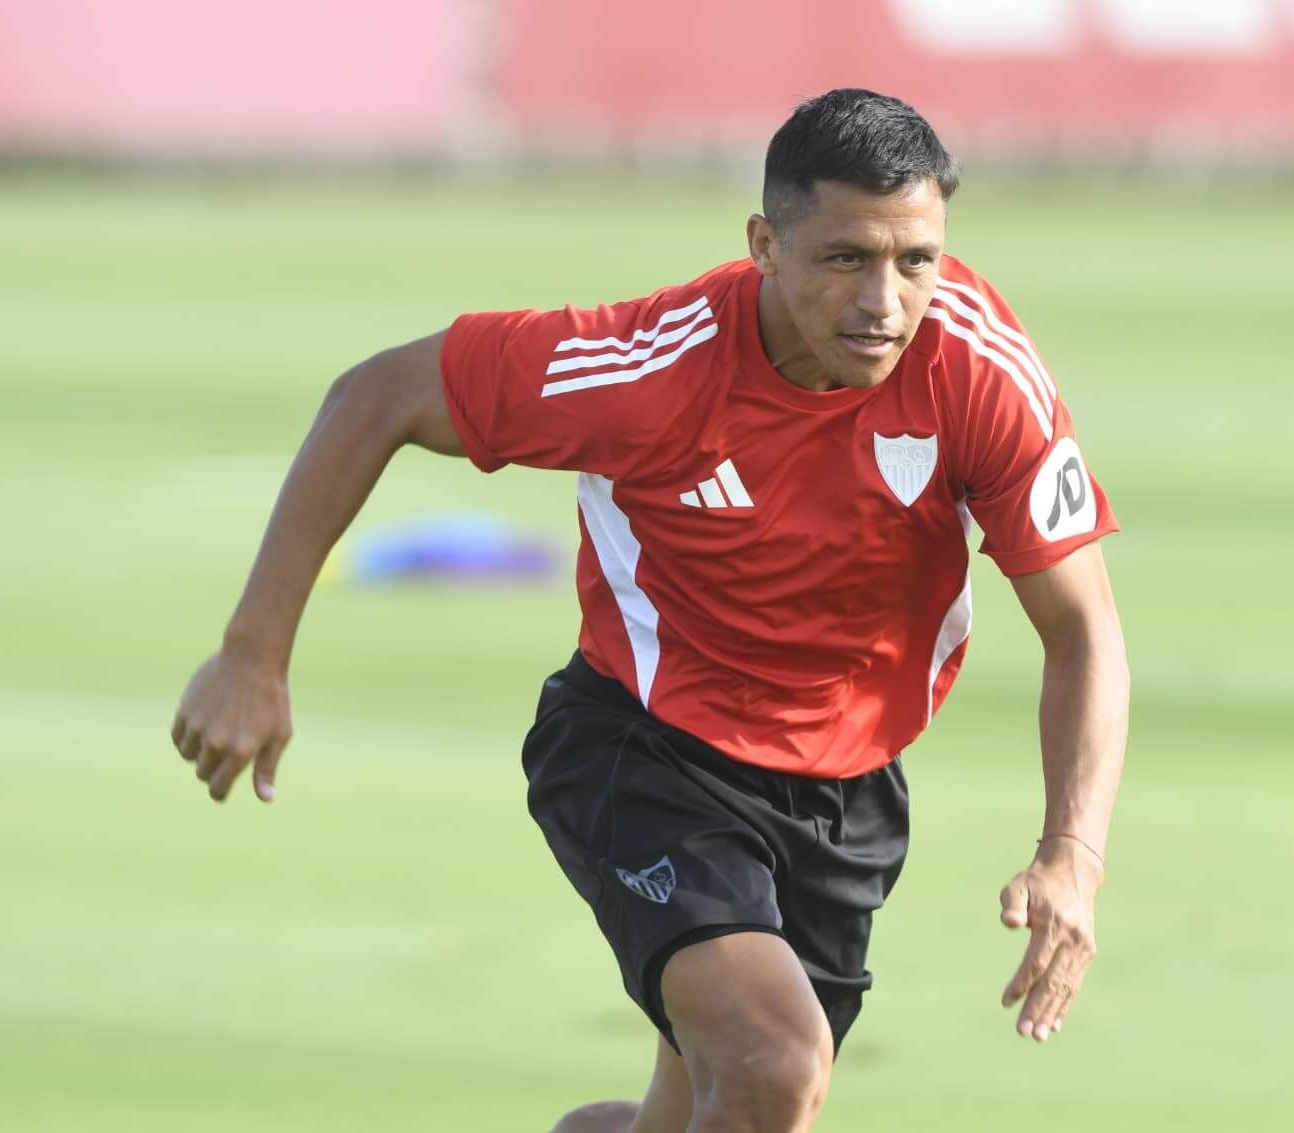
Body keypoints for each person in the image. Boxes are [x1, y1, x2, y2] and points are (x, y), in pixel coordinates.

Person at [169, 88, 1130, 1133]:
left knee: (695, 1114)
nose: (885, 303)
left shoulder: (977, 373)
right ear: (766, 242)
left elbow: (1083, 631)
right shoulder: (655, 367)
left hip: (847, 791)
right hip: (646, 751)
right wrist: (251, 653)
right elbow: (376, 395)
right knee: (774, 1063)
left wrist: (1070, 856)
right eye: (846, 258)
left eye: (917, 260)